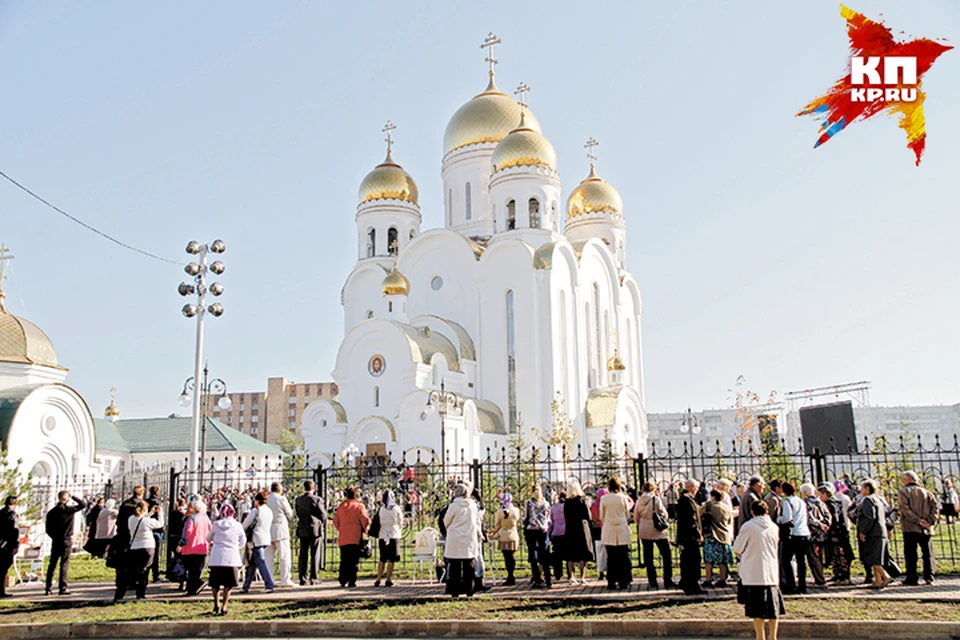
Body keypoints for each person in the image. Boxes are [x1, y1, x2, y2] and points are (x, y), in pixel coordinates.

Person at [733, 500, 785, 640]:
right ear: (767, 511)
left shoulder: (748, 526)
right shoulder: (774, 527)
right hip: (771, 572)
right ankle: (773, 636)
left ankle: (760, 636)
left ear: (752, 512)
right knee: (773, 608)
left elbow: (737, 548)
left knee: (757, 609)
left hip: (753, 572)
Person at [115, 499, 164, 601]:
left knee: (134, 570)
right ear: (144, 509)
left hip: (134, 547)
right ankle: (140, 593)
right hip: (147, 547)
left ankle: (123, 592)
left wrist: (150, 513)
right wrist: (160, 513)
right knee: (144, 571)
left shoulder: (131, 519)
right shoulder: (147, 521)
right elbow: (160, 524)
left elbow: (140, 519)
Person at [898, 470, 939, 585]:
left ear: (907, 480)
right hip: (926, 528)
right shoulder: (927, 492)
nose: (902, 481)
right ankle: (929, 576)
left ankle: (912, 577)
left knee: (911, 554)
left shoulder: (903, 492)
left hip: (910, 527)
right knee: (927, 553)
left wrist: (917, 520)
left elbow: (905, 509)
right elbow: (935, 507)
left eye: (903, 479)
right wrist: (929, 521)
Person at [207, 503, 246, 615]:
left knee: (215, 584)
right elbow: (242, 541)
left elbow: (208, 538)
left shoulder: (216, 524)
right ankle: (225, 605)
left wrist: (214, 542)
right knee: (228, 585)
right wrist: (235, 547)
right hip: (231, 558)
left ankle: (216, 603)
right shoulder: (237, 525)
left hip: (217, 557)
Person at [44, 490, 85, 596]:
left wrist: (54, 536)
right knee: (64, 563)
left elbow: (48, 528)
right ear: (66, 498)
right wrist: (73, 496)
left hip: (56, 539)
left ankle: (48, 587)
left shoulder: (52, 512)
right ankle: (63, 587)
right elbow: (82, 504)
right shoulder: (69, 510)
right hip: (66, 539)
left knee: (52, 563)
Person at [443, 483, 479, 598]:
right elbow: (476, 520)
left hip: (455, 539)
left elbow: (446, 521)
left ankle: (455, 592)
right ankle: (469, 591)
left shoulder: (454, 506)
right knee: (469, 566)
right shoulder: (472, 505)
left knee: (455, 567)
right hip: (469, 538)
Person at [634, 481, 673, 590]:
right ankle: (667, 580)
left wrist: (641, 523)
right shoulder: (655, 499)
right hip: (657, 530)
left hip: (644, 530)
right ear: (653, 489)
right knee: (666, 555)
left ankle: (652, 581)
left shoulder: (639, 501)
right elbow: (664, 514)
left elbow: (636, 517)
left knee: (648, 556)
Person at [857, 479, 892, 589]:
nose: (861, 490)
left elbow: (870, 517)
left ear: (867, 488)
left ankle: (886, 576)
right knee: (877, 557)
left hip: (873, 533)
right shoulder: (878, 499)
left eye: (862, 488)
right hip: (880, 531)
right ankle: (878, 581)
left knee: (872, 558)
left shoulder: (867, 500)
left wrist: (863, 531)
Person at [332, 486, 369, 589]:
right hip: (355, 536)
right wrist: (365, 529)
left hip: (344, 536)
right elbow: (365, 520)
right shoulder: (359, 506)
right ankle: (352, 580)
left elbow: (336, 521)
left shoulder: (341, 506)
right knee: (353, 559)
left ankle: (343, 579)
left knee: (344, 558)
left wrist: (341, 529)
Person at [111, 486, 145, 598]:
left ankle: (120, 582)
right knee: (134, 561)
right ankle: (132, 582)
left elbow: (119, 520)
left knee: (121, 561)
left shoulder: (125, 503)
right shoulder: (141, 504)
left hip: (122, 534)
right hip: (134, 535)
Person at [600, 477, 633, 591]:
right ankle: (624, 581)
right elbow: (627, 514)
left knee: (611, 557)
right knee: (623, 556)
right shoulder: (623, 498)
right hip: (621, 528)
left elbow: (601, 516)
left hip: (609, 528)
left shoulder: (604, 499)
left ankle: (611, 581)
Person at [777, 482, 809, 595]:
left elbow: (787, 518)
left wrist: (778, 519)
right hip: (803, 533)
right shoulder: (801, 501)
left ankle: (791, 585)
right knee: (801, 561)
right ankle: (802, 585)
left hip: (792, 534)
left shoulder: (787, 502)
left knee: (786, 560)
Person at [242, 491, 276, 593]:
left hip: (256, 539)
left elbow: (245, 524)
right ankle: (246, 586)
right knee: (253, 563)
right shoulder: (269, 511)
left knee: (260, 562)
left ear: (257, 501)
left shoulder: (255, 511)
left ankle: (269, 584)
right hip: (266, 537)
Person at [676, 479, 706, 595]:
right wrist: (698, 534)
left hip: (686, 535)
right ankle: (693, 584)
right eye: (696, 487)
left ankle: (686, 582)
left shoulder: (686, 499)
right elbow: (692, 519)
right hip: (689, 536)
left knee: (687, 559)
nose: (697, 489)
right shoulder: (687, 500)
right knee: (693, 560)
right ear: (692, 487)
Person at [818, 484, 852, 585]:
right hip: (841, 531)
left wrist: (831, 530)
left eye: (820, 495)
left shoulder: (830, 503)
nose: (820, 498)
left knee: (839, 554)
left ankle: (843, 577)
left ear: (825, 494)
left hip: (837, 533)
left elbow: (835, 519)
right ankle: (838, 574)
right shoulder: (837, 501)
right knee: (836, 554)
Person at [701, 488, 734, 588]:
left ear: (713, 496)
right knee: (722, 560)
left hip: (711, 534)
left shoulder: (709, 505)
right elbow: (729, 521)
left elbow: (699, 514)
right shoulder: (726, 507)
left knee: (709, 560)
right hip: (724, 536)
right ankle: (723, 579)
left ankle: (708, 579)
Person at [295, 480, 325, 586]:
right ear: (314, 488)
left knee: (303, 554)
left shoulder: (299, 500)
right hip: (314, 529)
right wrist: (319, 521)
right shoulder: (317, 500)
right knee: (315, 553)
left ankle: (302, 577)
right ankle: (314, 577)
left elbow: (298, 512)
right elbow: (323, 515)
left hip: (303, 528)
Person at [178, 497, 211, 596]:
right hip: (202, 547)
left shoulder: (191, 519)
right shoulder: (206, 519)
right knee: (197, 570)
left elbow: (187, 532)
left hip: (190, 547)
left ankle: (193, 587)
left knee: (190, 570)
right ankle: (194, 587)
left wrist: (181, 543)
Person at [265, 482, 295, 588]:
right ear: (279, 490)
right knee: (284, 556)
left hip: (268, 529)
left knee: (268, 557)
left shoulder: (266, 499)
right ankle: (285, 579)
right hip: (280, 529)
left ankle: (269, 579)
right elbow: (289, 513)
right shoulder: (281, 499)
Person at [563, 481, 593, 585]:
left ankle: (571, 576)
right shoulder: (582, 501)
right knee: (583, 553)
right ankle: (582, 577)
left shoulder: (567, 502)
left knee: (570, 553)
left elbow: (565, 516)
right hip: (582, 528)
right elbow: (588, 516)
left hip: (570, 528)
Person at [799, 483, 829, 588]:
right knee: (820, 556)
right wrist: (826, 525)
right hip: (822, 534)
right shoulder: (820, 502)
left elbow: (809, 519)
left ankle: (820, 580)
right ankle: (821, 577)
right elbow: (827, 515)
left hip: (812, 534)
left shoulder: (805, 504)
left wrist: (820, 525)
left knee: (813, 558)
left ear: (804, 493)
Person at [523, 485, 552, 588]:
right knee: (544, 555)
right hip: (543, 530)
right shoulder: (546, 503)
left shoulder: (529, 504)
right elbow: (548, 517)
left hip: (531, 530)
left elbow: (525, 517)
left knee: (533, 555)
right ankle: (548, 579)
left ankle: (537, 579)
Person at [490, 492, 520, 586]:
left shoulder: (500, 512)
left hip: (503, 536)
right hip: (513, 535)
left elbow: (497, 524)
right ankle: (512, 574)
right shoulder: (516, 510)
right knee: (512, 556)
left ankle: (509, 576)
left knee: (506, 557)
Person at [375, 490, 403, 588]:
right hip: (393, 534)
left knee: (382, 558)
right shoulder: (396, 509)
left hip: (383, 534)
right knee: (392, 559)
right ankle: (388, 578)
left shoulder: (382, 509)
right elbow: (401, 522)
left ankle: (378, 578)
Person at [470, 487, 489, 592]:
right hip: (478, 532)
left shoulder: (473, 505)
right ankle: (480, 578)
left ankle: (476, 579)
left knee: (474, 556)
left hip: (473, 532)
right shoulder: (481, 505)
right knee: (479, 556)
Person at [0, 496, 19, 597]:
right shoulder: (12, 514)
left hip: (0, 543)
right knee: (4, 567)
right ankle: (1, 590)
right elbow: (14, 530)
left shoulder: (1, 513)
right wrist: (16, 544)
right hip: (8, 544)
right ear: (15, 504)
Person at [166, 498, 187, 588]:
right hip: (179, 538)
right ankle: (181, 579)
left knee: (176, 558)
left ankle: (175, 576)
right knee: (182, 561)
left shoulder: (172, 514)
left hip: (172, 538)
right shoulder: (183, 515)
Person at [548, 491, 567, 582]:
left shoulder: (553, 507)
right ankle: (570, 573)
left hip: (556, 533)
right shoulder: (567, 507)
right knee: (568, 555)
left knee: (557, 555)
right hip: (566, 533)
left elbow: (550, 521)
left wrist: (549, 532)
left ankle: (558, 574)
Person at [147, 486, 164, 583]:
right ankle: (155, 574)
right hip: (156, 529)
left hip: (147, 527)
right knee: (156, 553)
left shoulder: (146, 501)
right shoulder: (158, 503)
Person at [590, 488, 608, 580]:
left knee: (599, 551)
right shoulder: (607, 504)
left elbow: (592, 517)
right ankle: (609, 570)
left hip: (596, 529)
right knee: (608, 550)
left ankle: (600, 571)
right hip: (606, 528)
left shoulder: (594, 505)